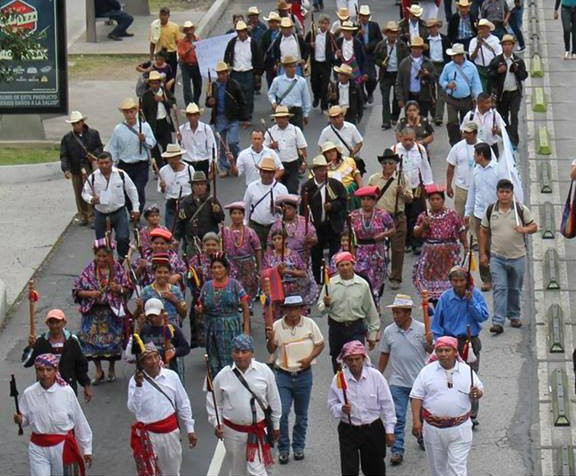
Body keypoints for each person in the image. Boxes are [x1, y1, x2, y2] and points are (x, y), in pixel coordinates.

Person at [207, 334, 282, 476]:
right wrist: (217, 423)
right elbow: (214, 403)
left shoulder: (264, 371)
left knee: (257, 472)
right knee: (237, 471)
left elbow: (274, 400)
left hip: (258, 431)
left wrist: (276, 425)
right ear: (231, 353)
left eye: (244, 351)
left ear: (252, 353)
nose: (240, 356)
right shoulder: (222, 375)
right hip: (233, 433)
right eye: (236, 351)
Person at [410, 336, 484, 476]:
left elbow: (479, 391)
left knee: (457, 470)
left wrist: (476, 393)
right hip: (433, 430)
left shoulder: (466, 371)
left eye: (447, 350)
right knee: (438, 470)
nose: (443, 354)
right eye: (440, 350)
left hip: (460, 429)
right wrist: (416, 421)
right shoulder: (426, 372)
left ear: (455, 352)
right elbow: (416, 396)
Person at [266, 295, 325, 464]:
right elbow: (271, 348)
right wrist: (270, 337)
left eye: (296, 308)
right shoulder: (277, 325)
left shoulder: (309, 324)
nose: (293, 312)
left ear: (301, 309)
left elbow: (320, 344)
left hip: (304, 375)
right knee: (282, 413)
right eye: (289, 309)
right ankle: (283, 448)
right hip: (283, 376)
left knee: (301, 414)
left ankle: (298, 446)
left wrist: (309, 358)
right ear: (284, 310)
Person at [15, 354, 93, 476]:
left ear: (56, 370)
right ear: (36, 372)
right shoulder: (29, 393)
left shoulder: (66, 392)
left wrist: (87, 449)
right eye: (40, 370)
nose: (45, 374)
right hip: (38, 448)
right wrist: (21, 419)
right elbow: (26, 419)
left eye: (49, 369)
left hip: (62, 446)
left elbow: (79, 420)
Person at [327, 340, 396, 476]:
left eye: (357, 359)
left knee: (374, 470)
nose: (354, 363)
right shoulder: (339, 379)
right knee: (349, 470)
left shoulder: (375, 376)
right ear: (345, 361)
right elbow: (331, 403)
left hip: (372, 428)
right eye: (350, 360)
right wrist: (341, 408)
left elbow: (388, 405)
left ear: (363, 359)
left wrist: (390, 430)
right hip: (349, 430)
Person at [128, 342, 197, 476]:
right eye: (149, 358)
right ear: (142, 363)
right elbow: (133, 407)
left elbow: (183, 403)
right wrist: (138, 386)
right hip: (147, 435)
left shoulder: (172, 376)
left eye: (156, 357)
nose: (153, 361)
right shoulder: (135, 381)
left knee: (172, 471)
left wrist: (190, 429)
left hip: (170, 433)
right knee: (149, 472)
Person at [432, 266, 489, 426]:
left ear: (467, 281)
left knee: (471, 377)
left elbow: (483, 316)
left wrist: (471, 301)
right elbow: (437, 324)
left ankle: (471, 414)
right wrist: (438, 343)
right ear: (450, 282)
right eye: (455, 281)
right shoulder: (444, 298)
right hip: (450, 342)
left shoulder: (475, 294)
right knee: (450, 376)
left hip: (470, 342)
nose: (458, 284)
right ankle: (453, 409)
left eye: (461, 280)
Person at [479, 179, 537, 334]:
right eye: (501, 192)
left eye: (507, 192)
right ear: (497, 193)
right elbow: (483, 232)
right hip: (497, 257)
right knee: (500, 288)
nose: (504, 195)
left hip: (518, 257)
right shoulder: (491, 210)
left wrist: (524, 230)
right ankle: (498, 321)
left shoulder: (520, 210)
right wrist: (483, 253)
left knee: (514, 288)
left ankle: (514, 315)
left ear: (512, 193)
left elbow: (534, 226)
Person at [378, 294, 429, 466]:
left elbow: (431, 349)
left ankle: (422, 437)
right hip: (398, 382)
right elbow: (385, 353)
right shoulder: (389, 331)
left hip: (419, 383)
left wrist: (430, 342)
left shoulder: (422, 329)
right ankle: (397, 450)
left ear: (408, 313)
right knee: (397, 416)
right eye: (394, 313)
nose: (395, 316)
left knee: (423, 415)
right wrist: (379, 374)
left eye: (398, 313)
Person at [73, 238, 131, 384]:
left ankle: (112, 369)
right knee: (91, 344)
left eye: (105, 256)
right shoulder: (88, 271)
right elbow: (77, 290)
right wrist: (90, 294)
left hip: (111, 313)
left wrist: (118, 289)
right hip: (93, 313)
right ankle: (99, 371)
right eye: (98, 256)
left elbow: (128, 288)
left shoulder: (117, 269)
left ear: (110, 256)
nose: (101, 259)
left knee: (113, 342)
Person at [318, 251, 380, 372]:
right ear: (337, 268)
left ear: (353, 265)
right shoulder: (330, 284)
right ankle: (340, 388)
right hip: (337, 328)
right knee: (337, 361)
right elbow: (321, 309)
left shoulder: (362, 285)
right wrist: (326, 304)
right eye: (341, 265)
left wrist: (372, 334)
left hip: (355, 327)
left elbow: (370, 310)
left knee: (356, 360)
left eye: (347, 264)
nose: (345, 268)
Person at [197, 254, 251, 376]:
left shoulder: (234, 284)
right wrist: (200, 310)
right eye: (214, 267)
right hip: (212, 329)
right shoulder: (206, 286)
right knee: (214, 361)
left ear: (226, 269)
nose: (217, 270)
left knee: (232, 359)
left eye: (220, 267)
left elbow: (245, 306)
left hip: (231, 327)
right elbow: (201, 305)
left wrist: (246, 328)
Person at [22, 309, 92, 402]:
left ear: (64, 323)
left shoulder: (72, 341)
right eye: (51, 322)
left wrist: (86, 385)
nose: (54, 326)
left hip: (68, 387)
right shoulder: (40, 342)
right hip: (45, 389)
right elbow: (26, 362)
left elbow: (80, 365)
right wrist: (31, 347)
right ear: (47, 324)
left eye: (57, 322)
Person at [82, 153, 140, 262]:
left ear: (112, 162)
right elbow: (84, 193)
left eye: (107, 162)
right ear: (97, 164)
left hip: (118, 212)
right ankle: (106, 264)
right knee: (101, 244)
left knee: (123, 238)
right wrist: (91, 199)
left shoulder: (121, 174)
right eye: (101, 163)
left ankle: (122, 262)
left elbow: (132, 190)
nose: (104, 165)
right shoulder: (93, 177)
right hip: (101, 213)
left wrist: (135, 208)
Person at [368, 148, 413, 290]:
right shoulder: (374, 179)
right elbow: (368, 197)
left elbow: (410, 199)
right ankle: (376, 273)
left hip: (397, 216)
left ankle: (395, 277)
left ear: (395, 165)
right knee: (375, 247)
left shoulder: (402, 179)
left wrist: (403, 193)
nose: (388, 166)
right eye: (385, 163)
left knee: (398, 249)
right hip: (379, 217)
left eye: (391, 163)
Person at [413, 184, 467, 301]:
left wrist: (466, 247)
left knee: (450, 284)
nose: (435, 202)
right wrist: (423, 226)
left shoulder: (452, 215)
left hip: (449, 256)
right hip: (430, 257)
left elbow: (461, 230)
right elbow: (416, 233)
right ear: (428, 201)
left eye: (438, 199)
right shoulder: (423, 216)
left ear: (443, 200)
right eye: (432, 199)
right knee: (431, 290)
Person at [300, 154, 348, 283]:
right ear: (314, 171)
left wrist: (332, 206)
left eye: (324, 169)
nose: (323, 172)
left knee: (335, 255)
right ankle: (318, 280)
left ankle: (335, 278)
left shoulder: (335, 185)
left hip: (333, 225)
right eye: (320, 170)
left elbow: (344, 201)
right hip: (316, 227)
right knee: (316, 255)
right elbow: (303, 209)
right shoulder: (307, 187)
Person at [105, 97, 156, 214]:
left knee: (138, 189)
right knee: (126, 191)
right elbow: (113, 148)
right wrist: (111, 164)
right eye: (127, 112)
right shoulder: (118, 129)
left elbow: (152, 143)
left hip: (141, 164)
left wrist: (144, 139)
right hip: (125, 165)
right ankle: (131, 211)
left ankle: (138, 211)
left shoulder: (144, 126)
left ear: (136, 111)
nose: (130, 114)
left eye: (131, 111)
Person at [464, 142, 503, 291]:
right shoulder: (476, 171)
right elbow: (472, 192)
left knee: (497, 247)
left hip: (496, 214)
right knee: (482, 247)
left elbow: (504, 192)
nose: (474, 157)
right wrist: (468, 212)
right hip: (480, 215)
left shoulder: (498, 170)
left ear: (481, 155)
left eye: (475, 154)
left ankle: (499, 277)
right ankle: (486, 279)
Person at [268, 194, 319, 307]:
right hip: (284, 257)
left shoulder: (304, 222)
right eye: (284, 209)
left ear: (295, 210)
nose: (287, 211)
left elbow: (315, 239)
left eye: (289, 209)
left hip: (302, 257)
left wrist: (309, 240)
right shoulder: (277, 225)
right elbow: (270, 244)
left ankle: (302, 306)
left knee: (304, 283)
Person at [350, 185, 396, 303]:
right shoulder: (353, 216)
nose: (366, 202)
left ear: (375, 200)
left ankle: (376, 304)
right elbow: (349, 235)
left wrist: (382, 235)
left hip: (377, 251)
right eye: (363, 199)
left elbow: (393, 229)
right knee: (362, 278)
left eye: (369, 199)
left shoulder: (382, 214)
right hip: (361, 251)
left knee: (376, 280)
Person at [392, 128, 433, 255]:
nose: (408, 143)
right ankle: (406, 242)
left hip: (417, 188)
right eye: (406, 140)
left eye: (411, 140)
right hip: (401, 189)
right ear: (400, 138)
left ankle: (417, 243)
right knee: (403, 215)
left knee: (417, 215)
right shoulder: (394, 150)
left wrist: (428, 186)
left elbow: (426, 167)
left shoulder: (420, 149)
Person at [205, 61, 249, 176]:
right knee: (222, 144)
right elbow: (208, 101)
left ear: (227, 73)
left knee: (233, 142)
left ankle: (236, 161)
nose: (221, 76)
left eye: (223, 73)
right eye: (219, 73)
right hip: (219, 118)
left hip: (232, 118)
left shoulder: (234, 85)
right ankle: (223, 166)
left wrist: (245, 117)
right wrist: (210, 102)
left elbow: (242, 101)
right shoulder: (213, 86)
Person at [60, 110, 103, 226]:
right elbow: (64, 155)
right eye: (73, 124)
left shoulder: (93, 134)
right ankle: (83, 215)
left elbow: (100, 148)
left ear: (82, 122)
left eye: (77, 123)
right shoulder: (67, 138)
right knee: (79, 192)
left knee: (91, 191)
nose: (75, 126)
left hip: (89, 167)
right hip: (75, 169)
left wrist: (93, 155)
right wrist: (66, 169)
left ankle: (92, 215)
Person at [488, 34, 528, 149]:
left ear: (513, 46)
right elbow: (490, 76)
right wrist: (498, 71)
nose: (507, 47)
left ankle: (514, 140)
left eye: (509, 44)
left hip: (515, 93)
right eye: (505, 45)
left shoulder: (518, 61)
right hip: (502, 95)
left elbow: (524, 76)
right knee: (503, 117)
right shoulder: (497, 61)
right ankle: (507, 137)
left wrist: (517, 70)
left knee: (514, 115)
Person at [439, 43, 483, 145]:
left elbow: (476, 83)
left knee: (466, 121)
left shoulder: (471, 67)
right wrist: (447, 85)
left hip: (466, 99)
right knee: (452, 121)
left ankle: (465, 140)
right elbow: (442, 80)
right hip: (452, 99)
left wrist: (477, 97)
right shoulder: (448, 67)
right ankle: (454, 142)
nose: (454, 57)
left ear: (461, 55)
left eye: (456, 55)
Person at [138, 298, 190, 382]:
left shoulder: (172, 328)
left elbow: (185, 348)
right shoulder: (144, 329)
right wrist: (139, 327)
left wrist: (174, 351)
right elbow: (136, 350)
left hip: (169, 369)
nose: (152, 318)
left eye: (155, 315)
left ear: (162, 312)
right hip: (150, 370)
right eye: (150, 316)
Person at [175, 171, 225, 256]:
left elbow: (221, 219)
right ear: (192, 187)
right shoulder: (185, 202)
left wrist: (217, 212)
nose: (199, 187)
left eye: (202, 184)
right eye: (197, 185)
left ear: (206, 186)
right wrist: (176, 239)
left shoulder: (212, 200)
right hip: (193, 241)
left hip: (210, 242)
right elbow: (180, 222)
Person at [262, 228, 308, 319]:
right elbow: (264, 273)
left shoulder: (293, 255)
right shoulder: (269, 256)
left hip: (293, 290)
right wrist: (276, 270)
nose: (277, 241)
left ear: (285, 240)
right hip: (276, 292)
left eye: (279, 238)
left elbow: (303, 273)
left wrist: (288, 271)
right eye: (274, 239)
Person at [243, 157, 289, 247]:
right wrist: (245, 224)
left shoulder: (282, 189)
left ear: (274, 173)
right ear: (260, 172)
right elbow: (246, 207)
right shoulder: (252, 187)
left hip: (275, 227)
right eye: (264, 172)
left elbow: (287, 210)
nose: (266, 175)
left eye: (270, 172)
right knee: (257, 251)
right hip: (256, 226)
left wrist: (278, 209)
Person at [222, 201, 263, 300]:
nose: (237, 216)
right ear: (230, 215)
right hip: (231, 265)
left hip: (247, 266)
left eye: (239, 213)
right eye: (234, 213)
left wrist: (259, 268)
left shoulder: (250, 232)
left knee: (247, 294)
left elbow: (257, 249)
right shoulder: (224, 231)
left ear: (243, 215)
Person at [262, 106, 307, 194]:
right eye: (278, 118)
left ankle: (291, 207)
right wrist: (271, 146)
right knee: (276, 191)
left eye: (283, 117)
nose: (281, 120)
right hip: (276, 167)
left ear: (287, 118)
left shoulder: (295, 130)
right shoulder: (270, 132)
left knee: (292, 189)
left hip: (292, 165)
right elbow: (263, 150)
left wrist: (304, 163)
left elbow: (302, 148)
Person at [224, 20, 264, 120]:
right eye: (239, 31)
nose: (241, 33)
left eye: (243, 31)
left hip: (248, 72)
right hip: (236, 72)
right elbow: (227, 55)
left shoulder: (253, 43)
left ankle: (247, 116)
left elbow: (258, 57)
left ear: (246, 31)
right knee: (236, 95)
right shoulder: (232, 42)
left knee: (248, 96)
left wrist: (258, 73)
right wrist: (227, 67)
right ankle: (238, 115)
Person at [374, 21, 410, 130]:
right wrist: (381, 63)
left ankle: (394, 116)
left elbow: (407, 59)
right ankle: (386, 121)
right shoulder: (381, 45)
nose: (393, 35)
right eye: (391, 32)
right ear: (387, 33)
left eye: (395, 33)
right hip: (385, 74)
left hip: (397, 74)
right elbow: (375, 58)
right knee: (385, 99)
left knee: (396, 97)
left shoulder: (402, 45)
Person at [140, 253, 187, 326]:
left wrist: (175, 301)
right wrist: (139, 307)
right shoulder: (146, 291)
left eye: (166, 272)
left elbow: (183, 314)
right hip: (152, 331)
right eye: (159, 272)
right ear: (154, 273)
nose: (162, 275)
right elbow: (139, 315)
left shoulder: (175, 290)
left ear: (170, 273)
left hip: (172, 329)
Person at [141, 70, 175, 169]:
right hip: (152, 124)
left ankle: (167, 165)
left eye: (156, 83)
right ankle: (158, 167)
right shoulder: (146, 95)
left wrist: (163, 100)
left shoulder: (164, 92)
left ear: (159, 83)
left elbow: (172, 102)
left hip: (164, 122)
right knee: (154, 147)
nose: (154, 85)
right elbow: (144, 111)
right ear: (150, 84)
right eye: (152, 83)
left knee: (167, 145)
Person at [267, 55, 312, 130]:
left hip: (296, 111)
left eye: (294, 66)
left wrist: (306, 113)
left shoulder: (301, 81)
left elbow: (306, 98)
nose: (293, 69)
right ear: (285, 68)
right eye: (290, 67)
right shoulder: (277, 80)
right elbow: (271, 93)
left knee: (297, 134)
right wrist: (273, 102)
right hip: (282, 111)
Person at [396, 36, 436, 118]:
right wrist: (400, 99)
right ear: (411, 49)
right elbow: (399, 82)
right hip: (409, 96)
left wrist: (428, 74)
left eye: (419, 48)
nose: (416, 50)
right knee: (410, 122)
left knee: (422, 121)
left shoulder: (428, 62)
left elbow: (435, 78)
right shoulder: (404, 63)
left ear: (422, 49)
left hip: (424, 96)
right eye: (414, 48)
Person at [446, 121, 480, 218]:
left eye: (468, 133)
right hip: (462, 187)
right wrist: (448, 185)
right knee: (460, 216)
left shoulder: (483, 146)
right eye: (464, 132)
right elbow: (450, 166)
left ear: (475, 133)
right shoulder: (457, 147)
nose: (465, 135)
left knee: (476, 217)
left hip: (478, 187)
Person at [157, 143, 194, 231]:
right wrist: (162, 187)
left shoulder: (189, 169)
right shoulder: (163, 171)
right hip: (171, 204)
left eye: (174, 157)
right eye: (170, 158)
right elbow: (162, 191)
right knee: (171, 231)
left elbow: (194, 187)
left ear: (179, 157)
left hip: (186, 203)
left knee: (187, 231)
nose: (172, 161)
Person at [306, 15, 337, 111]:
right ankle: (316, 96)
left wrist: (334, 59)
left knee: (324, 84)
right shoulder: (312, 34)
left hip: (325, 64)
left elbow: (334, 49)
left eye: (326, 24)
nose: (324, 26)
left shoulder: (331, 36)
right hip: (315, 63)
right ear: (319, 24)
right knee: (314, 83)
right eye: (322, 23)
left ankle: (324, 104)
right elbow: (304, 45)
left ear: (328, 25)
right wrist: (310, 45)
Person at [177, 102, 217, 176]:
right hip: (188, 163)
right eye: (190, 115)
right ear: (187, 116)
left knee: (204, 186)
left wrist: (212, 163)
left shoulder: (206, 129)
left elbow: (211, 147)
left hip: (203, 163)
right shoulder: (181, 130)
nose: (193, 118)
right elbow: (178, 149)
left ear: (198, 116)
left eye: (195, 115)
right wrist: (179, 141)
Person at [460, 92, 504, 156]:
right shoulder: (470, 116)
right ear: (479, 103)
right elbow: (463, 133)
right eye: (487, 103)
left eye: (490, 102)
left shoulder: (495, 114)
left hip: (491, 147)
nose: (490, 105)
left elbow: (503, 133)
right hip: (475, 148)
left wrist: (497, 131)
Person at [321, 140, 363, 206]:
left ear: (337, 152)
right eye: (328, 152)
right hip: (335, 195)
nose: (331, 153)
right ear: (324, 155)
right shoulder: (322, 168)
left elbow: (357, 175)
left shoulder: (348, 161)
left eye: (333, 151)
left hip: (351, 191)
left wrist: (361, 189)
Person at [425, 18, 450, 126]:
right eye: (430, 27)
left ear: (437, 27)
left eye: (434, 27)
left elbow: (449, 54)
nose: (432, 29)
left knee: (441, 92)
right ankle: (434, 114)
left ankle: (439, 116)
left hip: (442, 66)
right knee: (430, 92)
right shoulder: (425, 41)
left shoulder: (444, 39)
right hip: (430, 66)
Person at [356, 5, 382, 103]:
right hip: (359, 56)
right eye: (362, 16)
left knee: (372, 78)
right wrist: (358, 34)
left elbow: (379, 39)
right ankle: (362, 96)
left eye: (366, 16)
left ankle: (370, 92)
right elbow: (352, 40)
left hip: (370, 55)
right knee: (360, 78)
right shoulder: (356, 27)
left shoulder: (374, 25)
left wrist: (370, 45)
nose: (364, 18)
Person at [468, 19, 502, 91]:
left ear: (488, 29)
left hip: (492, 68)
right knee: (482, 90)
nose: (480, 31)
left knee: (493, 89)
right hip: (480, 69)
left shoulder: (495, 40)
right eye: (479, 29)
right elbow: (471, 58)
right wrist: (477, 47)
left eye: (483, 29)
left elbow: (500, 55)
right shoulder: (473, 41)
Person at [149, 6, 180, 74]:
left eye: (165, 15)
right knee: (160, 74)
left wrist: (179, 55)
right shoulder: (155, 27)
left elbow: (178, 42)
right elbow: (152, 42)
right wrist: (151, 57)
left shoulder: (174, 27)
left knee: (172, 74)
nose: (163, 17)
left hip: (171, 53)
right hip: (160, 54)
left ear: (168, 16)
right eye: (161, 15)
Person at [178, 21, 202, 106]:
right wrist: (189, 49)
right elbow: (181, 54)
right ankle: (189, 104)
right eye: (187, 30)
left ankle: (196, 101)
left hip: (196, 65)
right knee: (187, 86)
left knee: (198, 84)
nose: (189, 32)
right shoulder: (182, 42)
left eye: (190, 29)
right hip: (186, 65)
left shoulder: (198, 40)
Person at [334, 21, 366, 86]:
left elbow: (363, 59)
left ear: (352, 32)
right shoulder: (338, 42)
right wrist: (336, 55)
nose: (347, 33)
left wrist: (363, 73)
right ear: (342, 31)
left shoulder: (358, 43)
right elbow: (333, 59)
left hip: (355, 71)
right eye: (345, 31)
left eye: (349, 31)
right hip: (342, 72)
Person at [261, 11, 282, 87]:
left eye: (273, 22)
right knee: (271, 83)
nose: (271, 24)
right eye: (270, 22)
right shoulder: (265, 35)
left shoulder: (282, 34)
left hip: (280, 62)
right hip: (269, 63)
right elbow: (262, 49)